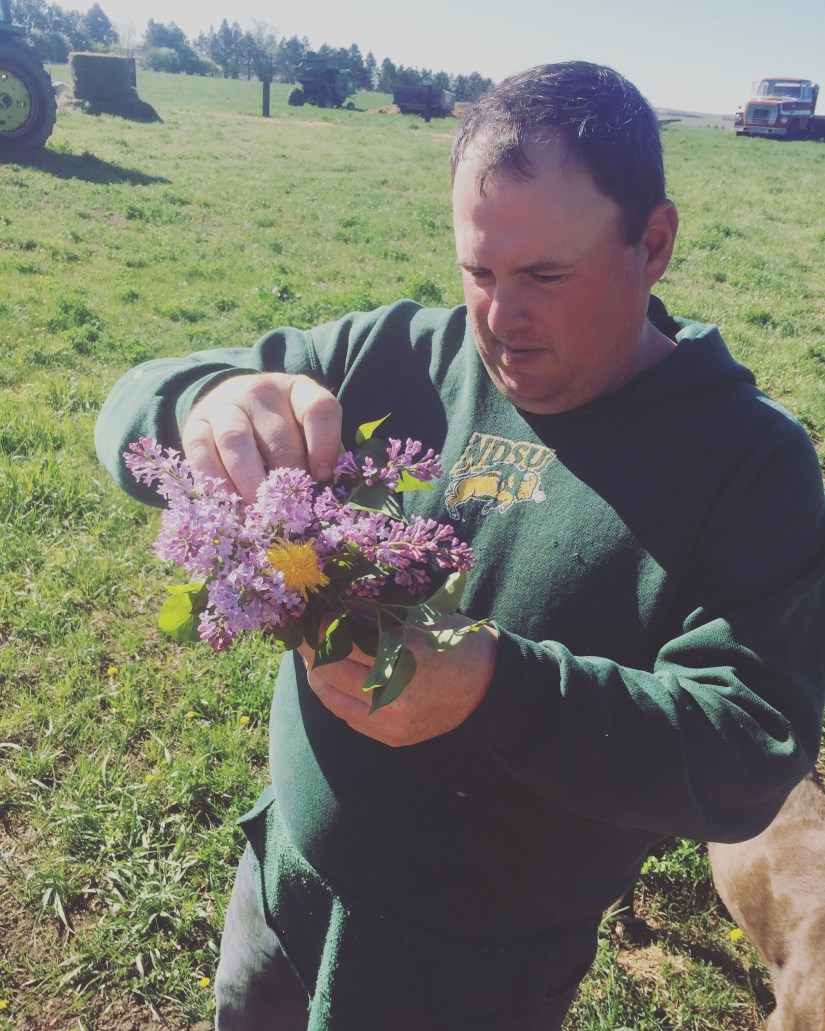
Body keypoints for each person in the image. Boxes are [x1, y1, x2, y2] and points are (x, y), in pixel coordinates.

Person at [96, 61, 825, 1030]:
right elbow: (131, 405)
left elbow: (747, 747)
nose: (500, 317)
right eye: (479, 272)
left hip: (480, 968)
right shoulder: (399, 355)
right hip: (285, 888)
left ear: (652, 242)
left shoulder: (748, 463)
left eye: (544, 276)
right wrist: (208, 400)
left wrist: (497, 687)